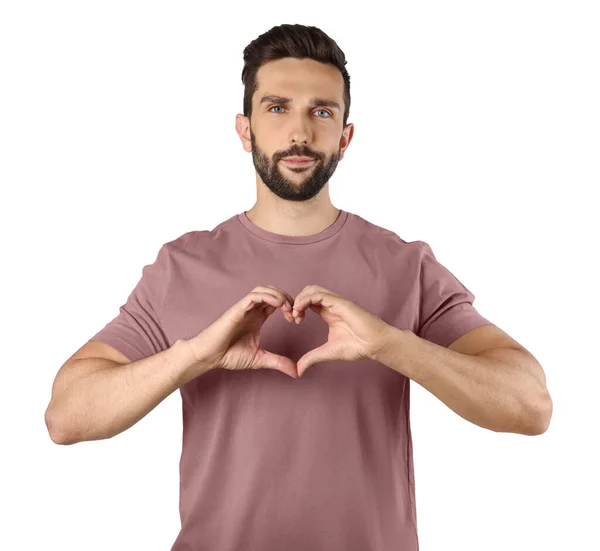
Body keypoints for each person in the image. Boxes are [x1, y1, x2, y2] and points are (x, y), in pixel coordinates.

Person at [45, 23, 553, 551]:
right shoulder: (182, 266)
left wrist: (392, 344)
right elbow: (66, 416)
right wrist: (195, 356)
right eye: (277, 108)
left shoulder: (405, 266)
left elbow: (530, 404)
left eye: (322, 111)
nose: (300, 132)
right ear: (245, 130)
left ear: (345, 136)